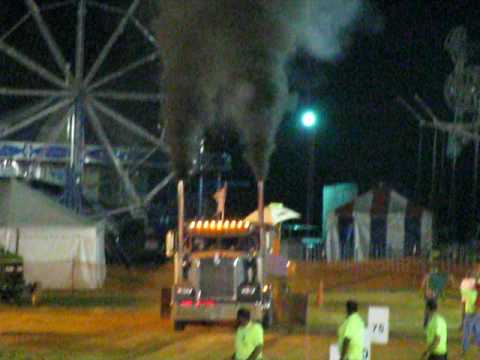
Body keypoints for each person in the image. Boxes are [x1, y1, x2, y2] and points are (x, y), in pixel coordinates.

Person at [460, 271, 479, 356]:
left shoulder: (467, 292)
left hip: (470, 313)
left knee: (467, 331)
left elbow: (462, 290)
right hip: (477, 313)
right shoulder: (476, 293)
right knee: (477, 329)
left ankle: (464, 349)